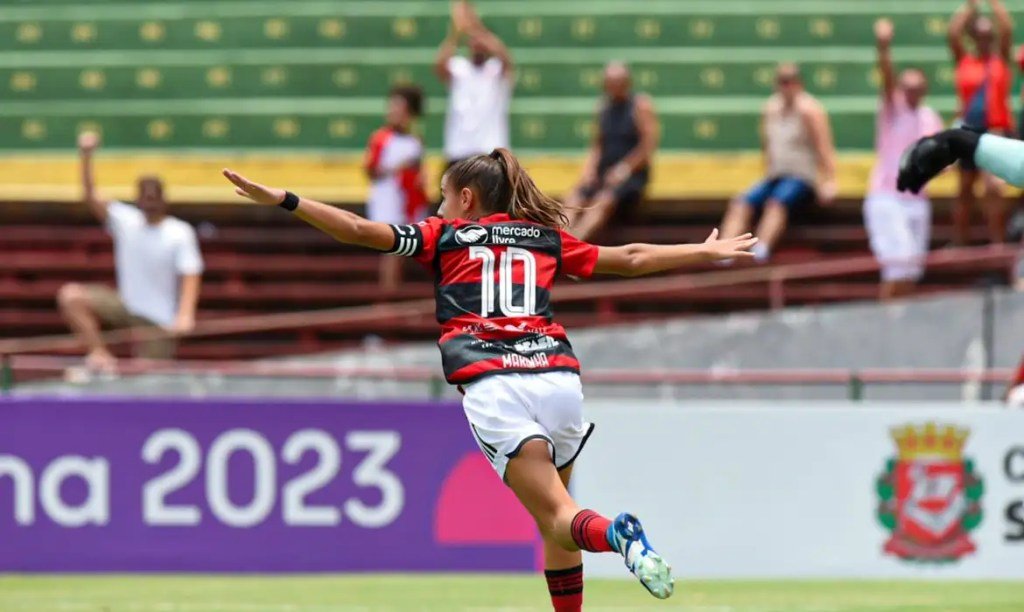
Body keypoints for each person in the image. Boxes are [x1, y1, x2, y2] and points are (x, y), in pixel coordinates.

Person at [222, 149, 757, 609]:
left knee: (560, 516)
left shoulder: (444, 236)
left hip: (497, 384)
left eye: (442, 195)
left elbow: (362, 231)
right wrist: (703, 250)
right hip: (557, 380)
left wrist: (286, 201)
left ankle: (618, 534)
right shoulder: (541, 237)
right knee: (557, 516)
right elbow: (631, 257)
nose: (437, 206)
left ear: (467, 200)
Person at [57, 132, 203, 370]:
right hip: (125, 306)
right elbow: (90, 194)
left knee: (147, 377)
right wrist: (86, 156)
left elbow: (191, 273)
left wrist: (185, 315)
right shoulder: (127, 221)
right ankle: (100, 355)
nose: (149, 201)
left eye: (153, 196)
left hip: (159, 318)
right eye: (145, 196)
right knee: (71, 296)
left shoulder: (179, 232)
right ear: (138, 198)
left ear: (163, 199)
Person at [718, 63, 837, 263]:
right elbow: (767, 145)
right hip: (775, 175)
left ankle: (761, 248)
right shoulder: (771, 108)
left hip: (801, 176)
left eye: (789, 81)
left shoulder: (810, 110)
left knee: (776, 203)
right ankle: (723, 250)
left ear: (798, 84)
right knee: (741, 202)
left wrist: (830, 181)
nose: (785, 86)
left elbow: (824, 147)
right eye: (781, 81)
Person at [864, 18, 945, 300]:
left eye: (916, 87)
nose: (910, 92)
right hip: (888, 198)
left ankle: (898, 320)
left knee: (911, 270)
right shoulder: (892, 108)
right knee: (898, 267)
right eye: (905, 86)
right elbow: (886, 76)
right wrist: (883, 47)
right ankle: (885, 320)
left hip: (917, 201)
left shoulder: (929, 117)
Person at [564, 62, 659, 241]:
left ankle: (574, 243)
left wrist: (624, 169)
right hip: (605, 172)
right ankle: (561, 240)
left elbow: (648, 145)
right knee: (573, 197)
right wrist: (589, 171)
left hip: (631, 175)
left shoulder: (640, 105)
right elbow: (597, 145)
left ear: (627, 82)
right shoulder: (603, 108)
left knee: (603, 201)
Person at [948, 0, 1013, 245]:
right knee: (965, 188)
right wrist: (971, 7)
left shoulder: (1000, 60)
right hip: (968, 130)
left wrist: (994, 3)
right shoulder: (965, 60)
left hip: (994, 130)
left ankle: (998, 241)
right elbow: (953, 32)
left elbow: (1006, 28)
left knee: (993, 188)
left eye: (988, 35)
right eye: (980, 35)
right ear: (973, 37)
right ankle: (959, 241)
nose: (985, 39)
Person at [435, 0, 513, 171]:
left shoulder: (496, 69)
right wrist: (455, 32)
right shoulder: (459, 68)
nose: (477, 44)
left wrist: (476, 27)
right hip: (459, 151)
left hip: (491, 152)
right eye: (473, 41)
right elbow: (439, 65)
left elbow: (506, 58)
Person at [364, 85, 428, 292]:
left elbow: (420, 169)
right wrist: (397, 167)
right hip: (388, 198)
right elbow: (371, 169)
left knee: (404, 249)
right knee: (391, 248)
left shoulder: (415, 140)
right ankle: (388, 294)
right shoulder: (381, 138)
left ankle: (395, 290)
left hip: (409, 199)